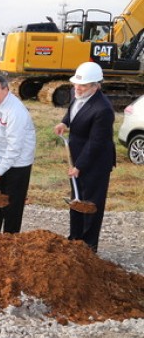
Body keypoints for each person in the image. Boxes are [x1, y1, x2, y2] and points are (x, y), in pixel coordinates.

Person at [53, 62, 115, 252]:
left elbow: (95, 143)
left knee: (90, 203)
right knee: (77, 199)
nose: (77, 88)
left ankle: (88, 246)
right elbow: (74, 111)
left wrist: (79, 166)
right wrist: (65, 122)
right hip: (78, 155)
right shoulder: (78, 93)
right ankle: (75, 239)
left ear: (96, 86)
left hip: (95, 162)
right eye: (76, 84)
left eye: (83, 85)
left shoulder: (103, 109)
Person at [0, 75, 36, 233]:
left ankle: (10, 238)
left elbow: (14, 147)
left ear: (6, 89)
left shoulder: (16, 112)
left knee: (12, 203)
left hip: (18, 163)